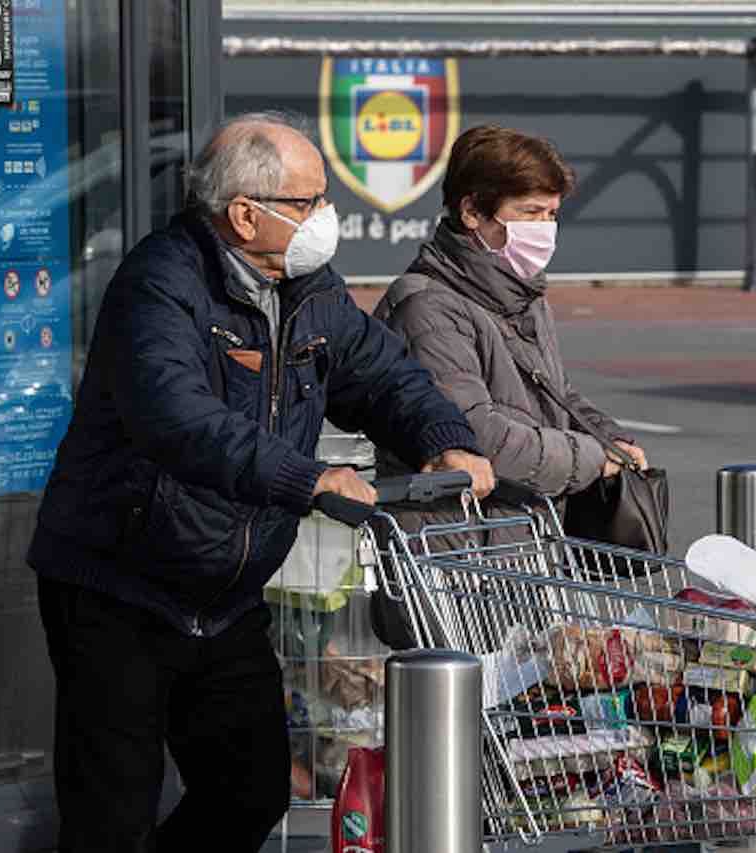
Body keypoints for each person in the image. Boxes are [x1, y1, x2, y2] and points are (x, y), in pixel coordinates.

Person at [26, 112, 494, 853]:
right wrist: (307, 479)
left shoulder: (308, 287)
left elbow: (381, 375)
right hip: (121, 586)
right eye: (309, 202)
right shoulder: (161, 286)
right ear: (246, 214)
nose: (326, 219)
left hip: (225, 595)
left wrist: (445, 440)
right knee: (111, 813)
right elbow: (176, 419)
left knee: (249, 789)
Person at [372, 124, 648, 520]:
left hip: (521, 531)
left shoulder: (524, 295)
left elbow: (556, 393)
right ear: (471, 212)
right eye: (530, 213)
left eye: (552, 214)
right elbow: (475, 434)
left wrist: (610, 439)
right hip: (454, 541)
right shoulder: (427, 308)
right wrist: (591, 457)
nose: (544, 229)